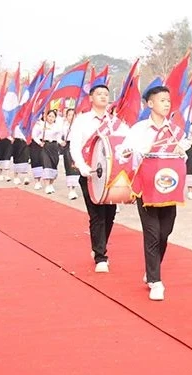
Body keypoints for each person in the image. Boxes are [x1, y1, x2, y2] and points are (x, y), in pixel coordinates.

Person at [118, 85, 192, 301]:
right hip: (146, 188)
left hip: (169, 189)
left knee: (165, 232)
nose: (166, 104)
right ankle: (155, 280)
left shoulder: (174, 131)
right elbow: (123, 154)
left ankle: (152, 268)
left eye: (168, 100)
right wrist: (129, 152)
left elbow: (182, 160)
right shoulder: (139, 129)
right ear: (150, 104)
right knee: (152, 232)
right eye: (162, 100)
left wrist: (181, 152)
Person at [68, 84, 130, 273]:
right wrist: (81, 165)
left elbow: (127, 143)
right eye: (99, 94)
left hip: (110, 176)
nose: (103, 97)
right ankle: (101, 256)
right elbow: (74, 146)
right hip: (90, 174)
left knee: (110, 215)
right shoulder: (82, 120)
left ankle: (99, 246)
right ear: (91, 98)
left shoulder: (115, 122)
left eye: (106, 94)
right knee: (97, 215)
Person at [59, 108, 80, 200]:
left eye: (73, 115)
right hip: (68, 146)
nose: (71, 117)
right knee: (69, 167)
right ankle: (71, 190)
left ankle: (75, 187)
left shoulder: (79, 126)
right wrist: (61, 142)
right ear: (66, 116)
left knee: (77, 168)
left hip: (78, 146)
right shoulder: (64, 126)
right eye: (69, 115)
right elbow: (58, 136)